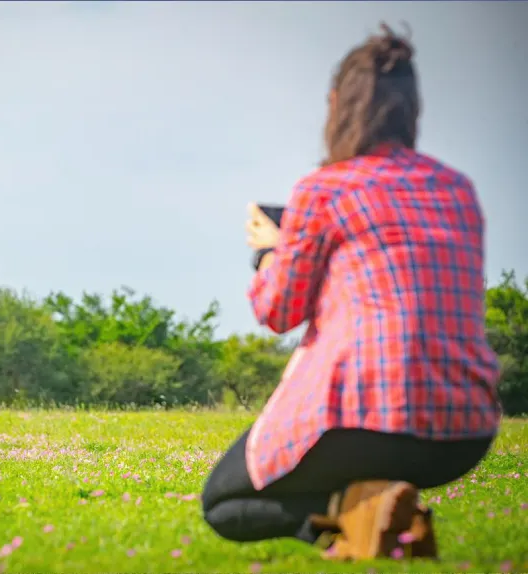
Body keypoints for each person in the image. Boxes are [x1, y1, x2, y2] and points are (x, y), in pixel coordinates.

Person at [201, 23, 502, 561]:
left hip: (364, 417)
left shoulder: (325, 190)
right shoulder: (457, 189)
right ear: (412, 110)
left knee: (222, 502)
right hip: (465, 429)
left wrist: (271, 250)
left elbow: (278, 310)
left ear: (337, 105)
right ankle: (387, 522)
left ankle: (362, 515)